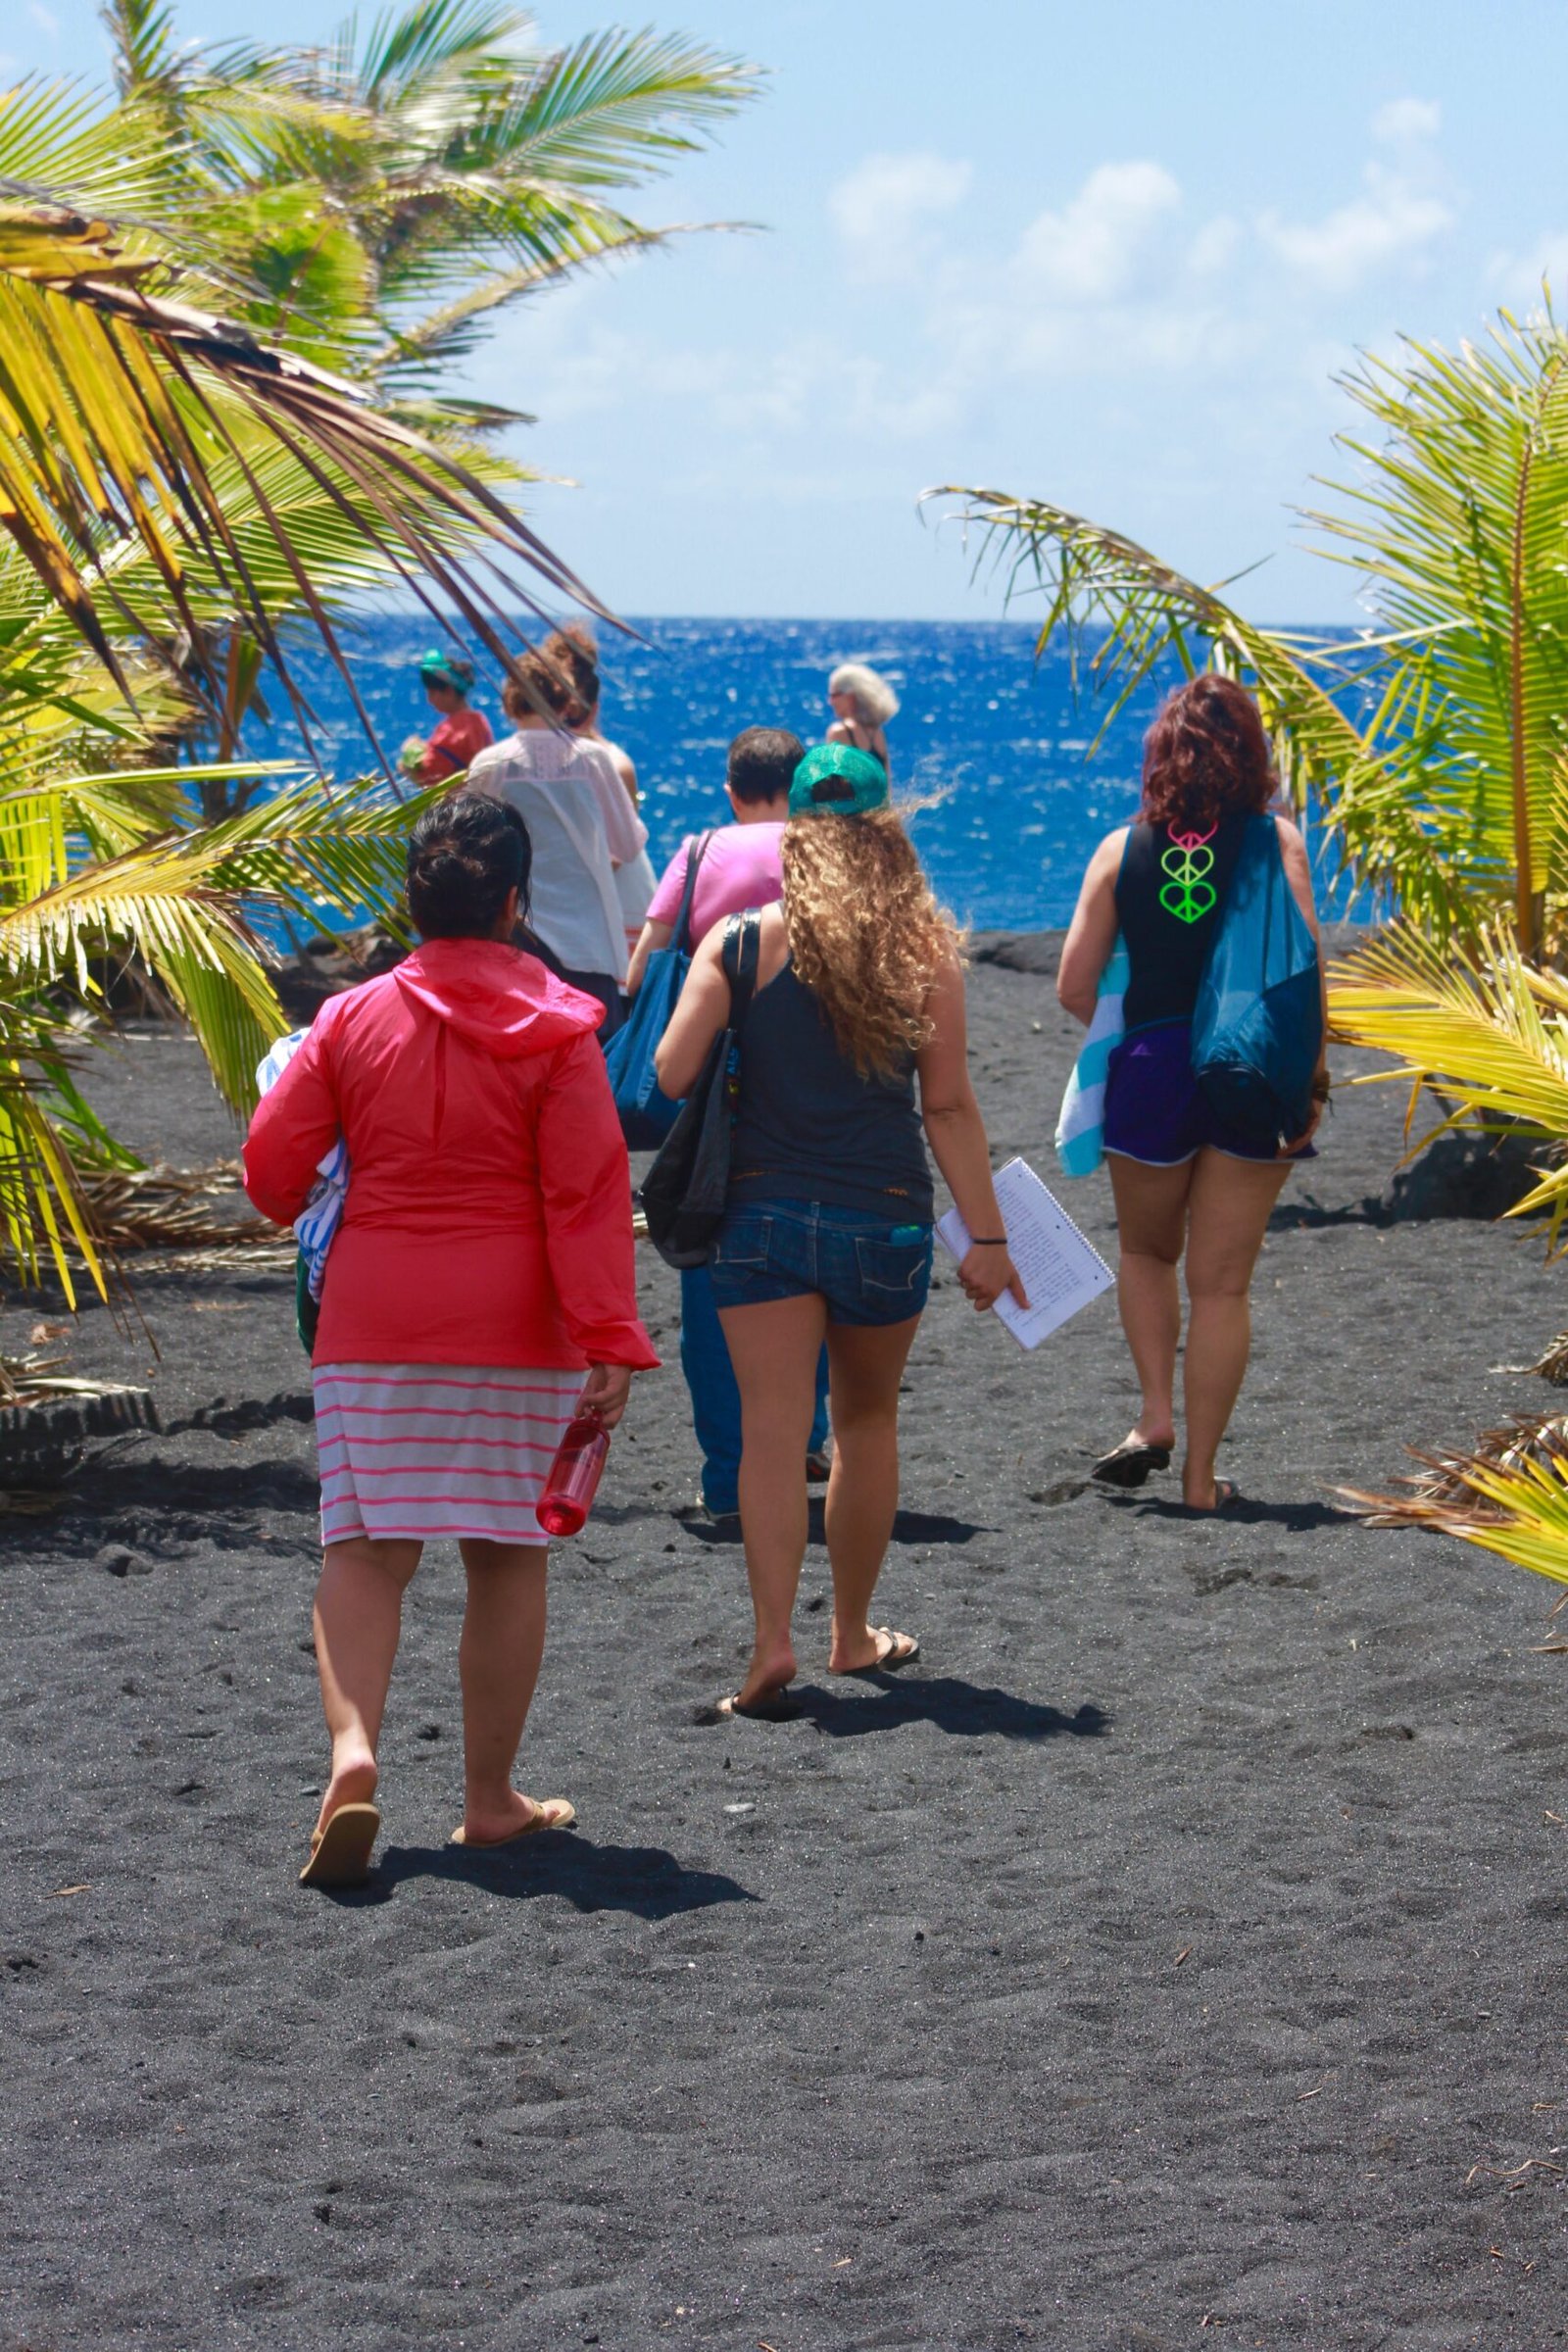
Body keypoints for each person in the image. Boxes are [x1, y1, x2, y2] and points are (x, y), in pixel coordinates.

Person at [243, 796, 659, 1888]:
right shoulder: (564, 1030)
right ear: (516, 903)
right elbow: (585, 1196)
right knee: (505, 1557)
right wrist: (609, 1336)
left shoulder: (347, 1021)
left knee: (366, 1552)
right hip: (519, 1325)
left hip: (375, 1322)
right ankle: (488, 1801)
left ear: (412, 902)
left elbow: (272, 1176)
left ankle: (354, 1752)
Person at [655, 743, 1024, 1719]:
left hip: (760, 1216)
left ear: (794, 837)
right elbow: (947, 1108)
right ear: (883, 834)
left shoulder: (738, 943)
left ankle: (771, 1643)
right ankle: (851, 1635)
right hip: (884, 1219)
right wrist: (985, 1239)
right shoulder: (925, 953)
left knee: (771, 1438)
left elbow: (670, 1073)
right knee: (865, 1423)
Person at [1055, 673, 1328, 1513]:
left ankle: (1153, 1414)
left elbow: (1071, 986)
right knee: (1222, 1287)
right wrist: (1309, 1087)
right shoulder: (1274, 841)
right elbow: (1307, 978)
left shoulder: (1120, 848)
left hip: (1150, 1069)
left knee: (1146, 1254)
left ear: (1159, 757)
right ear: (1252, 754)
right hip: (1247, 1073)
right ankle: (1203, 1481)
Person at [629, 726, 830, 1523]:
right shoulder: (826, 850)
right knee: (811, 1269)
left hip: (713, 1096)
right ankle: (806, 1435)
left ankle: (726, 1481)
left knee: (710, 1284)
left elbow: (645, 964)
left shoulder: (702, 847)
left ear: (732, 787)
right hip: (811, 1093)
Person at [465, 646, 648, 1035]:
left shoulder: (491, 764)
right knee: (594, 1063)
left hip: (517, 932)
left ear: (512, 700)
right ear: (566, 699)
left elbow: (470, 845)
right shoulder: (593, 759)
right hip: (590, 938)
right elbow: (629, 845)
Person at [548, 624, 659, 956]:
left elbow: (616, 855)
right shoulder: (609, 761)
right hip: (582, 903)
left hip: (612, 903)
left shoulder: (612, 763)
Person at [400, 650, 494, 785]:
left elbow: (429, 776)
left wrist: (408, 752)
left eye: (432, 693)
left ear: (449, 691)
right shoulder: (480, 721)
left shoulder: (451, 730)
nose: (429, 700)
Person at [826, 661, 899, 775]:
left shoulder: (839, 732)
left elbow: (834, 782)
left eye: (834, 695)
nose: (830, 702)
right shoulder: (877, 733)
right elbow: (887, 786)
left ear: (850, 697)